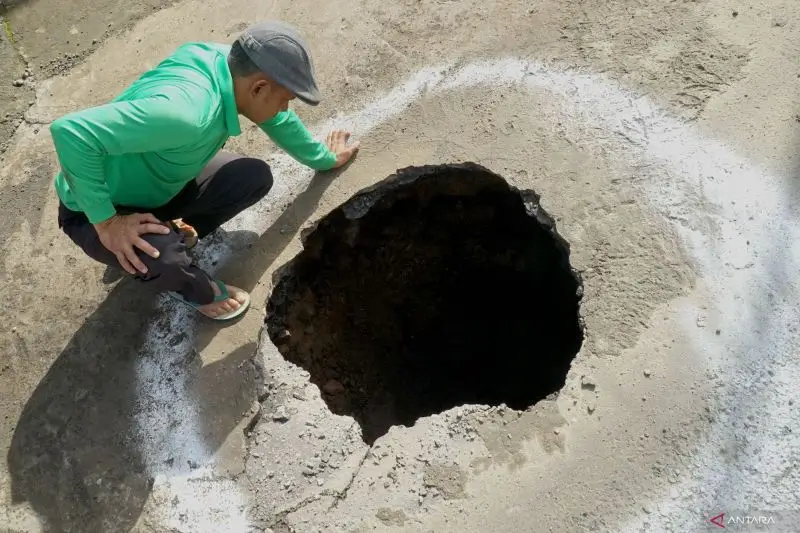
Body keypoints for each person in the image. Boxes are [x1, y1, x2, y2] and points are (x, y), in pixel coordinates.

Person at [50, 20, 359, 321]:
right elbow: (71, 133)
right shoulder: (186, 114)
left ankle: (177, 231)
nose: (285, 108)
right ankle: (185, 284)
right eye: (285, 100)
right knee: (167, 261)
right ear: (260, 87)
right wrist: (108, 223)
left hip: (163, 184)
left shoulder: (231, 65)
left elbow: (276, 118)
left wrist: (324, 158)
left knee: (253, 178)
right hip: (94, 209)